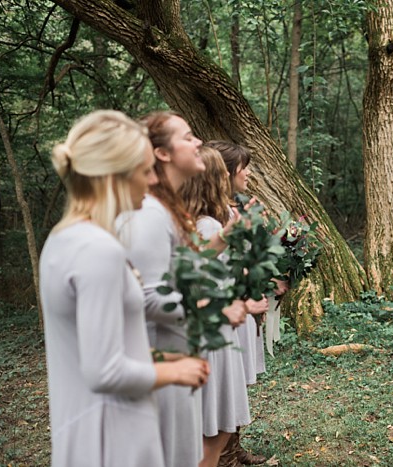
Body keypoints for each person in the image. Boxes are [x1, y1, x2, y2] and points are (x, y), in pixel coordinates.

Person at [40, 110, 209, 467]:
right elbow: (104, 371)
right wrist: (175, 372)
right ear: (115, 176)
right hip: (112, 435)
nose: (151, 182)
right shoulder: (97, 249)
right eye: (145, 170)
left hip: (90, 425)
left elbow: (99, 344)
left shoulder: (64, 238)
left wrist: (163, 357)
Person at [117, 111, 240, 467]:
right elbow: (148, 297)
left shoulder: (167, 209)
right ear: (163, 154)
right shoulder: (152, 213)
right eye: (187, 137)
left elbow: (180, 274)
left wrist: (221, 241)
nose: (198, 142)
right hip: (161, 358)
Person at [180, 145, 260, 467]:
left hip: (216, 326)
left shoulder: (205, 224)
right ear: (217, 179)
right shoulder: (208, 227)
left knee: (215, 425)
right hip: (213, 330)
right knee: (213, 428)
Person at [208, 139, 280, 465]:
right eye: (243, 168)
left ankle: (234, 449)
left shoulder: (232, 209)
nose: (248, 173)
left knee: (235, 383)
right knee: (223, 387)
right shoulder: (209, 219)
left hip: (241, 305)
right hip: (224, 310)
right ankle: (223, 457)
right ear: (226, 173)